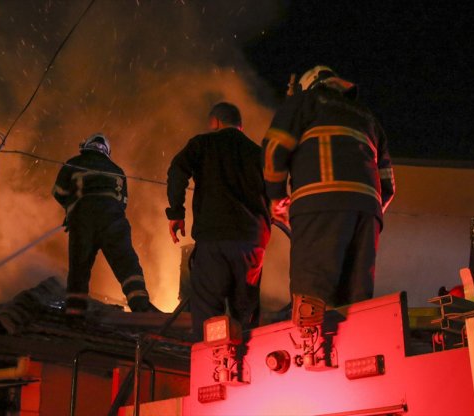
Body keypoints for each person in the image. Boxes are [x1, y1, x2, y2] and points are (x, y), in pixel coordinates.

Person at [262, 65, 395, 307]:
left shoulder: (305, 102)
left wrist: (275, 196)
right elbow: (388, 185)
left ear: (309, 85)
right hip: (367, 215)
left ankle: (313, 344)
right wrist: (363, 211)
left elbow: (274, 147)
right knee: (357, 301)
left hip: (319, 209)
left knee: (313, 298)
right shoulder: (367, 117)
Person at [166, 102, 271, 341]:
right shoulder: (259, 154)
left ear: (215, 122)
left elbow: (177, 171)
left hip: (214, 240)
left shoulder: (203, 144)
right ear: (240, 126)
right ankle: (249, 367)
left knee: (207, 315)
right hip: (252, 244)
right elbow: (275, 191)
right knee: (245, 316)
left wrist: (176, 213)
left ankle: (210, 366)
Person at [53, 133, 159, 315]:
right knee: (127, 263)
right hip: (113, 220)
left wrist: (72, 210)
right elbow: (122, 201)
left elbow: (59, 192)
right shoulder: (116, 170)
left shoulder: (73, 163)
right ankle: (141, 306)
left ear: (86, 147)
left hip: (82, 222)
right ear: (106, 152)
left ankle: (74, 311)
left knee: (79, 267)